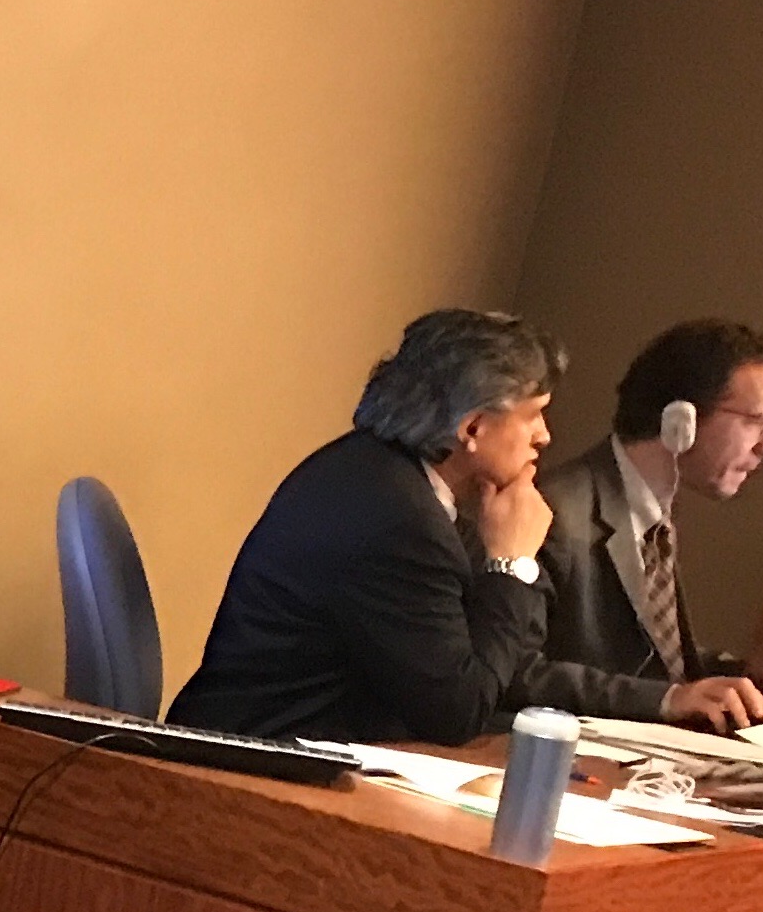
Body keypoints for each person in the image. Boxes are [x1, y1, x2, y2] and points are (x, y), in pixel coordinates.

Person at [169, 309, 561, 744]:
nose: (543, 436)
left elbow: (504, 663)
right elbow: (457, 712)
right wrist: (510, 566)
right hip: (250, 757)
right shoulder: (399, 518)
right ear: (472, 427)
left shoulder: (382, 473)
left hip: (287, 741)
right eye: (533, 415)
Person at [527, 319, 763, 726]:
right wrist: (667, 700)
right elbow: (517, 672)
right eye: (756, 421)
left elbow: (650, 668)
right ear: (680, 421)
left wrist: (748, 673)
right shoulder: (554, 513)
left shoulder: (653, 517)